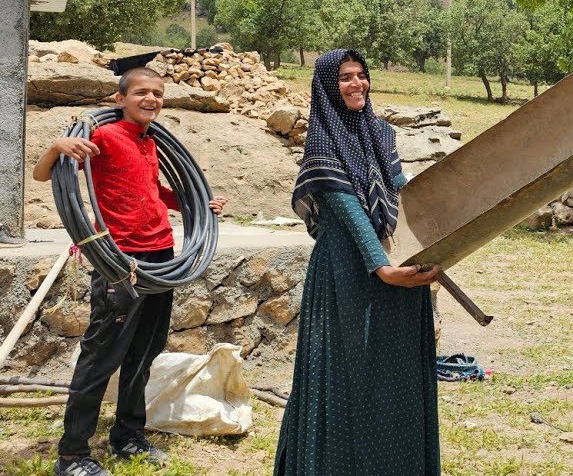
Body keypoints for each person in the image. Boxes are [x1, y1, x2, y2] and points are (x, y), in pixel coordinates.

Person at [32, 67, 227, 476]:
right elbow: (43, 174)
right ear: (121, 99)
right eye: (141, 92)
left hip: (161, 257)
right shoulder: (102, 135)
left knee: (145, 352)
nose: (151, 99)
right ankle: (72, 455)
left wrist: (195, 203)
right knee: (101, 357)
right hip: (120, 262)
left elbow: (151, 190)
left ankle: (127, 436)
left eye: (157, 93)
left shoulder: (150, 140)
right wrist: (56, 146)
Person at [275, 49, 441, 476]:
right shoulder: (323, 143)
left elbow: (401, 193)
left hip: (396, 263)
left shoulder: (382, 134)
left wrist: (434, 243)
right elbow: (347, 206)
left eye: (362, 75)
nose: (356, 84)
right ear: (329, 87)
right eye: (345, 77)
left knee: (395, 379)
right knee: (348, 379)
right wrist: (382, 269)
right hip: (347, 274)